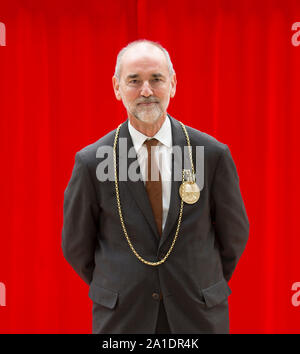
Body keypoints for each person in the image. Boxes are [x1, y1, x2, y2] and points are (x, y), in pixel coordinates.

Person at [61, 39, 249, 334]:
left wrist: (200, 280)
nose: (146, 91)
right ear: (117, 87)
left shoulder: (211, 154)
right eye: (134, 81)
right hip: (123, 318)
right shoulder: (92, 162)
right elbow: (76, 245)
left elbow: (234, 235)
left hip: (197, 314)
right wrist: (120, 282)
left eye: (156, 79)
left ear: (173, 84)